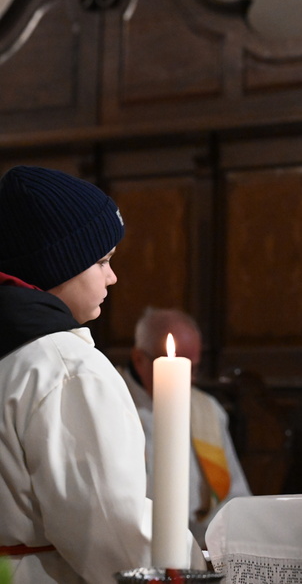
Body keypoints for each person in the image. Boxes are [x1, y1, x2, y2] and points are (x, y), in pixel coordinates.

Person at [0, 166, 202, 583]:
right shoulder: (64, 366)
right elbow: (111, 529)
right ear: (57, 264)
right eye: (102, 261)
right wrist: (194, 567)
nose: (112, 277)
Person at [123, 307, 251, 549]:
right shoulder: (112, 403)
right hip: (134, 543)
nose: (189, 379)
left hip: (201, 543)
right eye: (179, 365)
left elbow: (235, 496)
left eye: (194, 368)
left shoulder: (207, 410)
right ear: (139, 359)